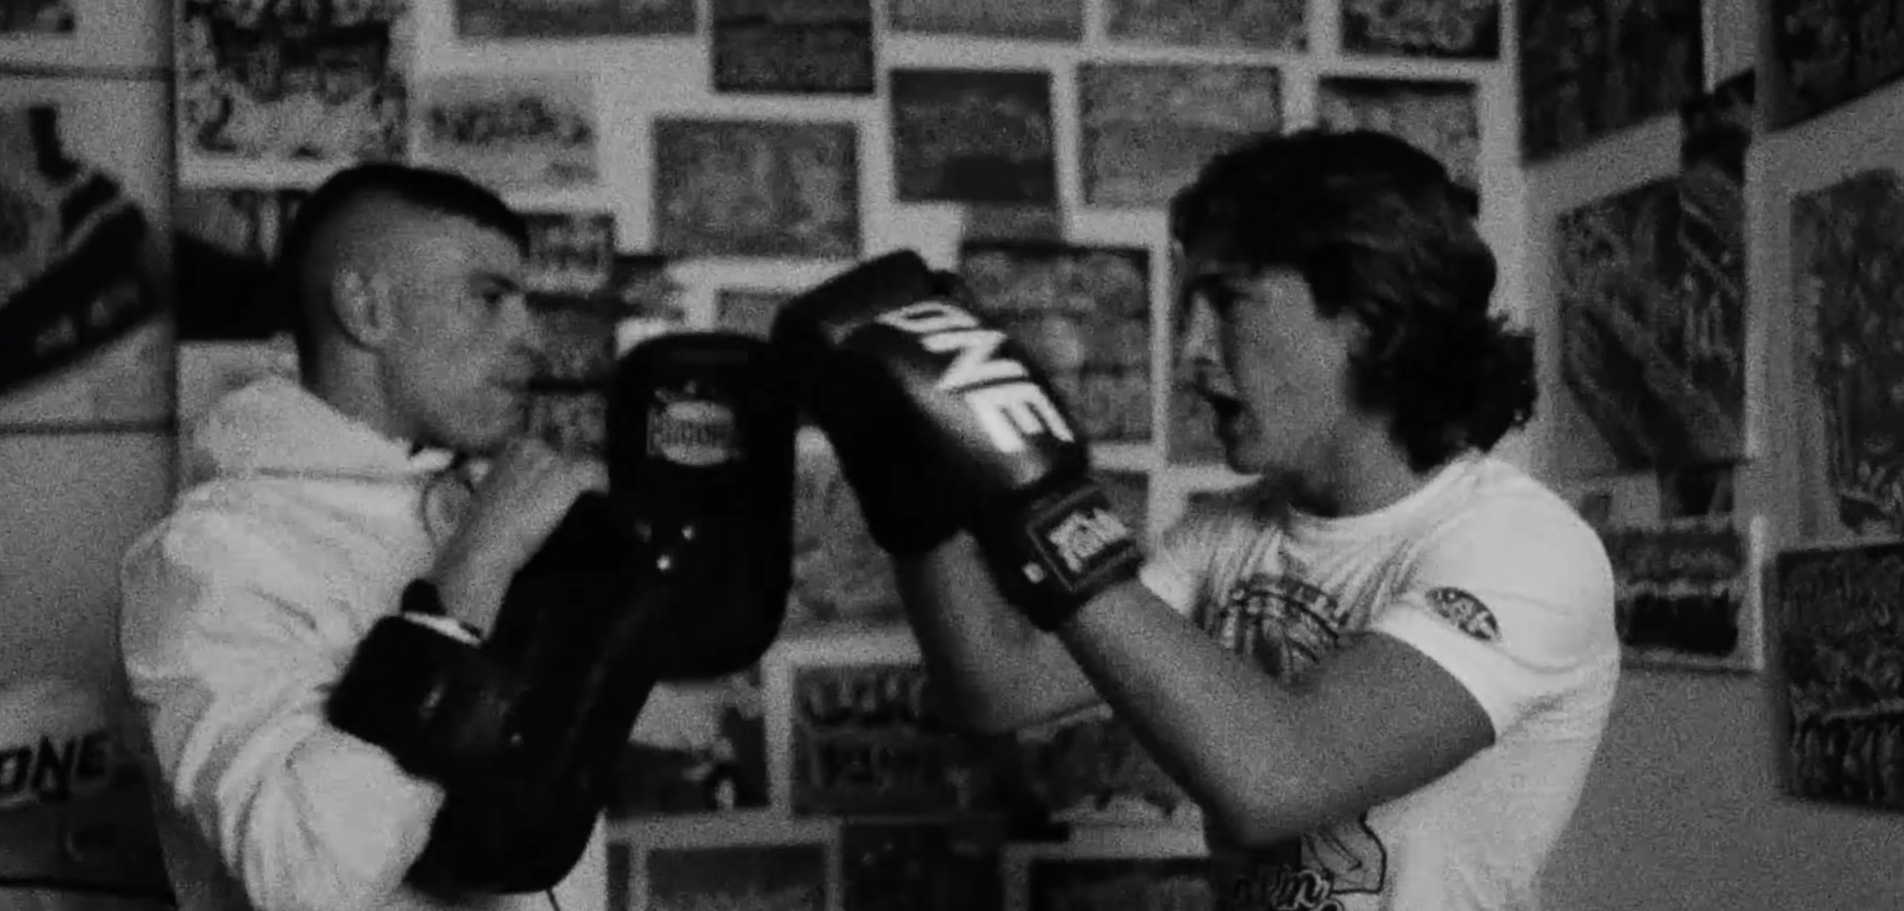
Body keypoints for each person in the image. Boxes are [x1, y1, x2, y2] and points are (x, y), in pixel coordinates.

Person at [779, 129, 1621, 910]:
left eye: (1228, 302)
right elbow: (996, 688)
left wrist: (1033, 488)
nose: (1190, 355)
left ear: (1370, 315)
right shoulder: (1232, 529)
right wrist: (910, 491)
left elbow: (1276, 779)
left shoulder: (1524, 550)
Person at [118, 163, 610, 911]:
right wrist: (476, 568)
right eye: (488, 298)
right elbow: (305, 879)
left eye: (526, 301)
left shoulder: (469, 505)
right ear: (365, 306)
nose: (533, 339)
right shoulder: (209, 553)